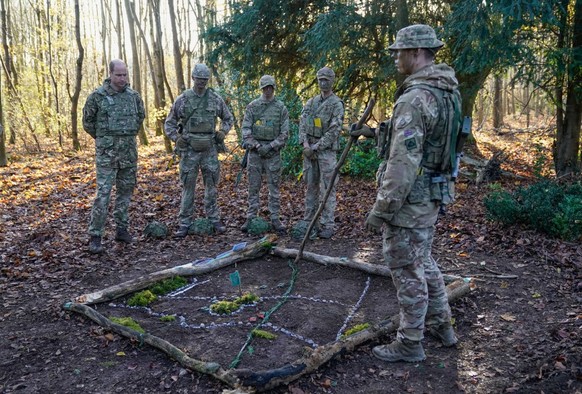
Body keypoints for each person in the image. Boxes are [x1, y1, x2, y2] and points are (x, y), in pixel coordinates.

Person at [352, 24, 460, 362]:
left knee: (407, 269)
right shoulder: (446, 91)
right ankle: (442, 325)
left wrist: (381, 209)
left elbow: (403, 163)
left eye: (400, 51)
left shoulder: (415, 98)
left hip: (410, 201)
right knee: (423, 261)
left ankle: (410, 342)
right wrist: (376, 134)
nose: (395, 57)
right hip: (432, 194)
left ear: (417, 52)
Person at [83, 59, 146, 254]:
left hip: (128, 153)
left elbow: (140, 118)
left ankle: (122, 229)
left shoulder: (133, 96)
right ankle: (95, 236)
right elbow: (87, 122)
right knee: (103, 195)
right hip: (107, 156)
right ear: (110, 74)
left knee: (125, 193)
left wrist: (125, 138)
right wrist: (104, 138)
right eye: (118, 75)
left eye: (125, 74)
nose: (122, 78)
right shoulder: (97, 97)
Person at [164, 63, 234, 237]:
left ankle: (214, 218)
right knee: (188, 186)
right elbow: (169, 123)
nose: (202, 82)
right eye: (199, 79)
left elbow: (228, 118)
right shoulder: (183, 99)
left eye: (204, 79)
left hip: (209, 149)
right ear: (193, 78)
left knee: (211, 185)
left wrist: (223, 133)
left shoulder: (215, 99)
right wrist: (176, 138)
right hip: (189, 150)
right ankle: (185, 222)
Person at [298, 66, 344, 239]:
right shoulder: (311, 102)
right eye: (320, 80)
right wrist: (305, 144)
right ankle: (310, 220)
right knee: (311, 187)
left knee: (328, 189)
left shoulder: (336, 104)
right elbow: (302, 124)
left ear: (332, 81)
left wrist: (316, 147)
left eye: (326, 79)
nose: (323, 83)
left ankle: (327, 224)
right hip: (310, 152)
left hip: (326, 153)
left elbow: (334, 130)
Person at [240, 75, 289, 234]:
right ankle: (251, 216)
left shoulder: (281, 108)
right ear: (261, 88)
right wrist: (257, 145)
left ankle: (275, 217)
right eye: (265, 88)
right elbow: (246, 130)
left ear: (274, 88)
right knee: (253, 186)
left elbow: (285, 133)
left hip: (273, 154)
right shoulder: (253, 107)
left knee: (274, 187)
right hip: (255, 154)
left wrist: (270, 147)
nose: (268, 90)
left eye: (270, 87)